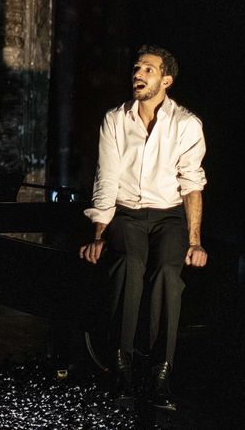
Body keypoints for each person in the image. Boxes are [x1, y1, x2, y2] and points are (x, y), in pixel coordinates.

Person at [79, 45, 208, 411]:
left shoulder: (186, 123)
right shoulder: (115, 119)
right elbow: (107, 177)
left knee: (169, 271)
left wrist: (194, 241)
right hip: (127, 214)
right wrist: (99, 234)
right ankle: (122, 367)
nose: (138, 74)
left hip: (168, 215)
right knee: (130, 265)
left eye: (148, 70)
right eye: (137, 68)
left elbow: (192, 184)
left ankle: (160, 374)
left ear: (166, 80)